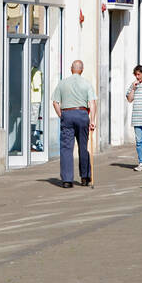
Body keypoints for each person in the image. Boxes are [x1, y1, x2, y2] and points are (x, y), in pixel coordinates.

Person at [52, 60, 96, 188]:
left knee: (66, 148)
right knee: (83, 146)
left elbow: (55, 102)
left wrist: (61, 115)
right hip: (82, 114)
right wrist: (92, 120)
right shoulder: (86, 83)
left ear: (71, 69)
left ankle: (67, 180)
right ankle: (85, 177)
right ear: (82, 70)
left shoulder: (62, 83)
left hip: (67, 113)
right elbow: (92, 103)